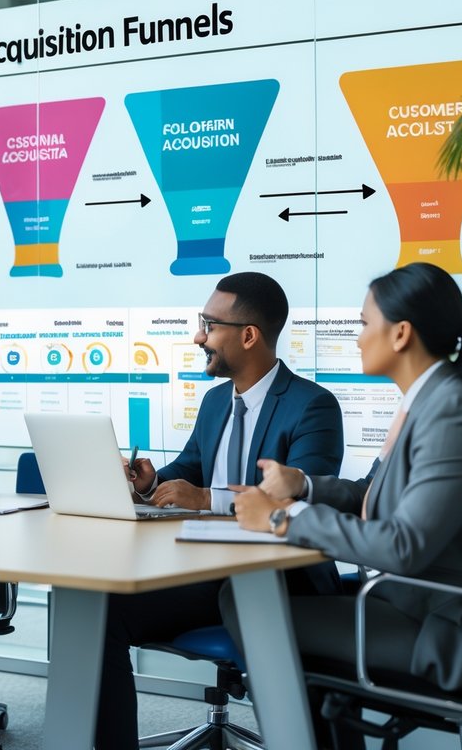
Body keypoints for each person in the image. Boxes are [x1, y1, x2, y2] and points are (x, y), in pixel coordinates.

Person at [230, 262, 462, 748]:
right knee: (261, 601)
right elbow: (373, 495)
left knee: (248, 607)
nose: (358, 335)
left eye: (366, 322)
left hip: (441, 629)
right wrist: (301, 486)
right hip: (409, 603)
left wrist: (283, 518)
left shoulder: (452, 414)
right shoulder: (429, 402)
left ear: (401, 333)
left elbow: (403, 545)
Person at [98, 271, 345, 749]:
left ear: (248, 335)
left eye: (208, 325)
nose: (198, 336)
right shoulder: (215, 403)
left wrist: (206, 498)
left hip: (280, 580)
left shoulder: (312, 406)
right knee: (102, 611)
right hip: (209, 575)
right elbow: (190, 469)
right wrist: (151, 483)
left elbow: (301, 499)